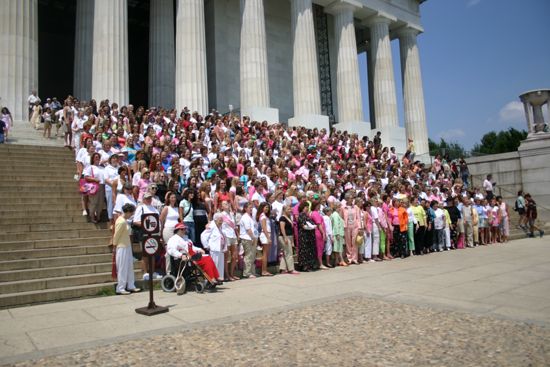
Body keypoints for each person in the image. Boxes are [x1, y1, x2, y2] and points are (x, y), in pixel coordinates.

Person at [166, 223, 220, 288]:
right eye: (182, 229)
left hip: (192, 255)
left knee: (208, 257)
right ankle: (212, 278)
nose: (184, 230)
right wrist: (180, 255)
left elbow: (192, 247)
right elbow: (171, 250)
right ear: (177, 230)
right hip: (185, 258)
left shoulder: (186, 238)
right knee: (206, 260)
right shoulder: (173, 239)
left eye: (185, 229)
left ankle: (215, 277)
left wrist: (200, 249)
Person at [112, 203, 140, 295]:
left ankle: (131, 285)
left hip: (127, 246)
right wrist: (114, 246)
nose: (132, 215)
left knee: (129, 267)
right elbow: (116, 235)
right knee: (122, 268)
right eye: (131, 213)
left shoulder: (125, 220)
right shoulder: (121, 221)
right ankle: (120, 287)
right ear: (127, 212)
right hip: (121, 247)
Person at [201, 212, 226, 283]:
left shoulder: (220, 226)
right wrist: (206, 246)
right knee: (214, 265)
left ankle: (218, 279)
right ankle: (212, 279)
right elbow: (203, 235)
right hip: (214, 249)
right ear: (215, 219)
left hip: (220, 249)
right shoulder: (211, 226)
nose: (221, 221)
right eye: (220, 219)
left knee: (220, 266)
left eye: (222, 219)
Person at [278, 205, 298, 274]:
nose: (290, 210)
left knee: (286, 253)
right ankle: (291, 269)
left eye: (290, 209)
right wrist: (285, 237)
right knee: (289, 253)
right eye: (288, 209)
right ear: (284, 210)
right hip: (284, 237)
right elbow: (282, 228)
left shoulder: (288, 217)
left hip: (289, 236)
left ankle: (283, 269)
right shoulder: (282, 218)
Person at [239, 202, 257, 278]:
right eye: (250, 207)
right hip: (248, 238)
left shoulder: (250, 216)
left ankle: (252, 272)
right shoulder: (245, 217)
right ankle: (247, 273)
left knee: (252, 256)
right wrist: (253, 237)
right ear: (245, 208)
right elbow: (248, 229)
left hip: (252, 238)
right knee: (248, 255)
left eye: (252, 207)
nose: (251, 209)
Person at [297, 201, 317, 271]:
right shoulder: (301, 215)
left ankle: (309, 265)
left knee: (309, 250)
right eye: (306, 207)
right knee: (305, 251)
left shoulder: (306, 215)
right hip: (304, 236)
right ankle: (305, 266)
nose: (307, 208)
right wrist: (311, 227)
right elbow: (303, 226)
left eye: (308, 207)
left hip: (309, 236)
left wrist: (313, 226)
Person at [330, 202, 347, 266]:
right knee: (339, 248)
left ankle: (337, 261)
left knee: (338, 248)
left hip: (339, 233)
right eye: (339, 207)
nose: (340, 208)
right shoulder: (335, 214)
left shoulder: (336, 214)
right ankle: (341, 260)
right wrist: (337, 234)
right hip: (337, 233)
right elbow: (336, 225)